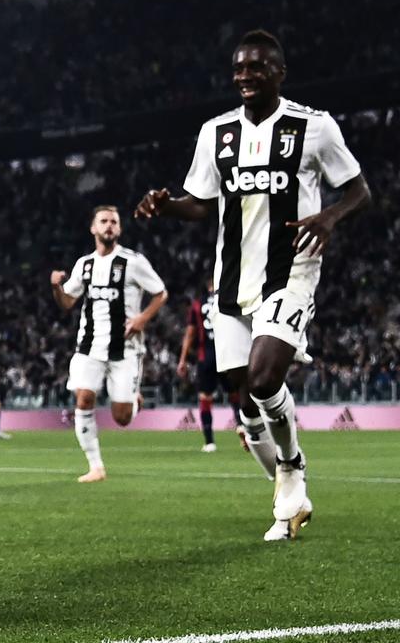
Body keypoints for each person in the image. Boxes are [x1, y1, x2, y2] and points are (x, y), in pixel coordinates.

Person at [136, 29, 371, 540]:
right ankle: (289, 503)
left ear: (279, 74)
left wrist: (330, 216)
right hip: (230, 280)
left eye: (257, 67)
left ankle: (291, 469)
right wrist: (167, 205)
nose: (246, 75)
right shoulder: (215, 133)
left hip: (291, 272)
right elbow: (201, 202)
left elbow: (359, 190)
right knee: (244, 402)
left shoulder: (314, 127)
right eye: (240, 67)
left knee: (265, 380)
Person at [50, 206, 167, 483]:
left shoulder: (133, 261)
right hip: (89, 345)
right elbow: (68, 302)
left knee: (122, 417)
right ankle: (95, 466)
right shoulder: (84, 264)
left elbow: (161, 293)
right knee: (84, 398)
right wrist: (57, 287)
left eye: (114, 222)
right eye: (103, 221)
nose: (109, 226)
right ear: (93, 228)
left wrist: (141, 319)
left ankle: (133, 400)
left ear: (120, 229)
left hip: (124, 348)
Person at [176, 278, 240, 453]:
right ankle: (245, 431)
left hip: (206, 357)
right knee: (235, 394)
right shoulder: (229, 299)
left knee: (205, 397)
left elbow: (190, 333)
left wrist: (182, 359)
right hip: (227, 355)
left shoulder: (198, 305)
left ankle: (210, 442)